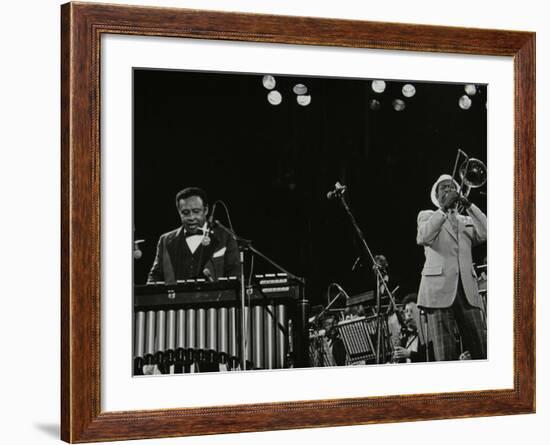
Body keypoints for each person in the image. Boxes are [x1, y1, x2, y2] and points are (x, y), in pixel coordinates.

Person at [415, 174, 487, 361]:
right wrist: (444, 209)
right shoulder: (428, 216)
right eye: (443, 188)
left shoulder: (466, 220)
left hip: (467, 290)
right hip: (438, 291)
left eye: (451, 187)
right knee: (445, 354)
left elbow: (486, 232)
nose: (448, 190)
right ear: (437, 196)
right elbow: (423, 237)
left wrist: (468, 204)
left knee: (481, 349)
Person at [147, 187, 240, 284]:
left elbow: (235, 275)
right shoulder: (165, 240)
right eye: (185, 213)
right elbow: (155, 276)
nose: (191, 217)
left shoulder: (226, 236)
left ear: (206, 210)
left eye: (196, 211)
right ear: (179, 212)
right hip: (178, 298)